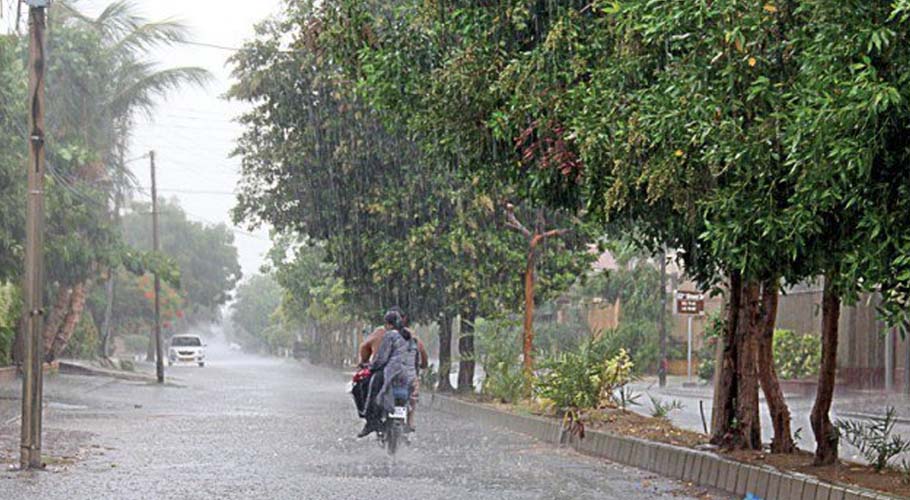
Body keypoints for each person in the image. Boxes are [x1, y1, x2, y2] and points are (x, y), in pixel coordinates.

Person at [358, 307, 428, 431]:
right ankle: (410, 420)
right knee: (413, 393)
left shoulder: (387, 334)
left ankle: (370, 421)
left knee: (372, 385)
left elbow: (382, 357)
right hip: (410, 376)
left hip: (391, 373)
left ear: (388, 324)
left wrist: (370, 366)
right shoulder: (412, 336)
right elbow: (421, 354)